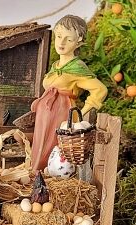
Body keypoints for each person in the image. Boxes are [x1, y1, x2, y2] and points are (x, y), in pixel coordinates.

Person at [30, 15, 107, 172]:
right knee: (40, 146)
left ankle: (51, 175)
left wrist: (82, 113)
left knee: (54, 147)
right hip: (44, 115)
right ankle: (35, 172)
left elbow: (100, 89)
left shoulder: (77, 67)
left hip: (61, 113)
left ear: (79, 41)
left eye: (69, 39)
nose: (62, 42)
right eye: (59, 36)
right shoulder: (56, 66)